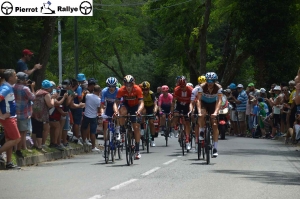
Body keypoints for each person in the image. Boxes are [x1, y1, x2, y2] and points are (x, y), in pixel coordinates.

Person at [113, 75, 144, 160]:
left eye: (130, 85)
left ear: (133, 84)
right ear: (124, 84)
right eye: (126, 85)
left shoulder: (137, 89)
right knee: (121, 112)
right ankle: (123, 130)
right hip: (126, 105)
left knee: (136, 127)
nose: (128, 87)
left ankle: (137, 150)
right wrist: (116, 112)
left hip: (135, 106)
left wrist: (139, 111)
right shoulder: (121, 90)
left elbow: (141, 102)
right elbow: (116, 103)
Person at [197, 72, 223, 157]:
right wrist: (199, 111)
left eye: (212, 81)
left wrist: (216, 112)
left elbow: (219, 101)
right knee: (202, 115)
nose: (210, 83)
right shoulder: (202, 87)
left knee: (214, 124)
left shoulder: (218, 88)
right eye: (208, 81)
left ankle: (215, 148)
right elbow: (198, 100)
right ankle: (201, 131)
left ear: (215, 81)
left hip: (213, 104)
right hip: (204, 103)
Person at [0, 69, 21, 169]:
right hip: (8, 118)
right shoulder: (6, 88)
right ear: (10, 77)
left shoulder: (9, 87)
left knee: (10, 139)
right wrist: (1, 115)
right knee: (17, 138)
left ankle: (9, 163)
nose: (17, 77)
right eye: (15, 75)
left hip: (12, 117)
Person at [13, 72, 35, 158]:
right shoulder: (25, 89)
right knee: (22, 133)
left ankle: (14, 148)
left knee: (15, 132)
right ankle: (18, 150)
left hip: (14, 112)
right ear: (22, 80)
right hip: (23, 113)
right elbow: (33, 97)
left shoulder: (12, 86)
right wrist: (32, 88)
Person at [31, 80, 56, 153]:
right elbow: (50, 105)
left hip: (34, 113)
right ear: (48, 88)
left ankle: (34, 144)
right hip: (41, 114)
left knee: (34, 130)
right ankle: (39, 146)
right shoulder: (46, 94)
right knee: (39, 129)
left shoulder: (38, 91)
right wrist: (53, 98)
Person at [171, 76, 193, 150]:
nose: (182, 88)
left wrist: (190, 111)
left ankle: (187, 140)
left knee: (187, 122)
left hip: (187, 105)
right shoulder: (177, 90)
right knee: (176, 115)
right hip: (179, 105)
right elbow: (173, 101)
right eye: (181, 86)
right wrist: (172, 111)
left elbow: (192, 102)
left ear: (186, 84)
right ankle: (176, 128)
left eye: (183, 86)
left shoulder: (190, 89)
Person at [100, 77, 119, 154]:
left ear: (115, 86)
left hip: (117, 106)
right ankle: (106, 144)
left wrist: (117, 112)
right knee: (106, 125)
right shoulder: (104, 91)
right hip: (108, 107)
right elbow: (102, 104)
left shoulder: (118, 91)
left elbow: (120, 103)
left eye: (113, 86)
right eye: (110, 86)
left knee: (117, 116)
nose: (111, 88)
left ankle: (117, 130)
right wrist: (102, 113)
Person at [81, 85, 101, 153]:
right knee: (93, 132)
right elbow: (98, 110)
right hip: (93, 116)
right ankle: (93, 146)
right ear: (99, 91)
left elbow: (84, 97)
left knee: (84, 128)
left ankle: (84, 141)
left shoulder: (88, 96)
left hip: (86, 115)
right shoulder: (98, 99)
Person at [139, 81, 158, 147]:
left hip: (151, 107)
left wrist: (155, 111)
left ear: (149, 89)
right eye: (143, 89)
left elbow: (155, 104)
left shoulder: (151, 94)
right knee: (143, 113)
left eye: (146, 89)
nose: (145, 91)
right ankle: (142, 128)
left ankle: (152, 139)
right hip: (144, 107)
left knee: (151, 123)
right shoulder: (141, 94)